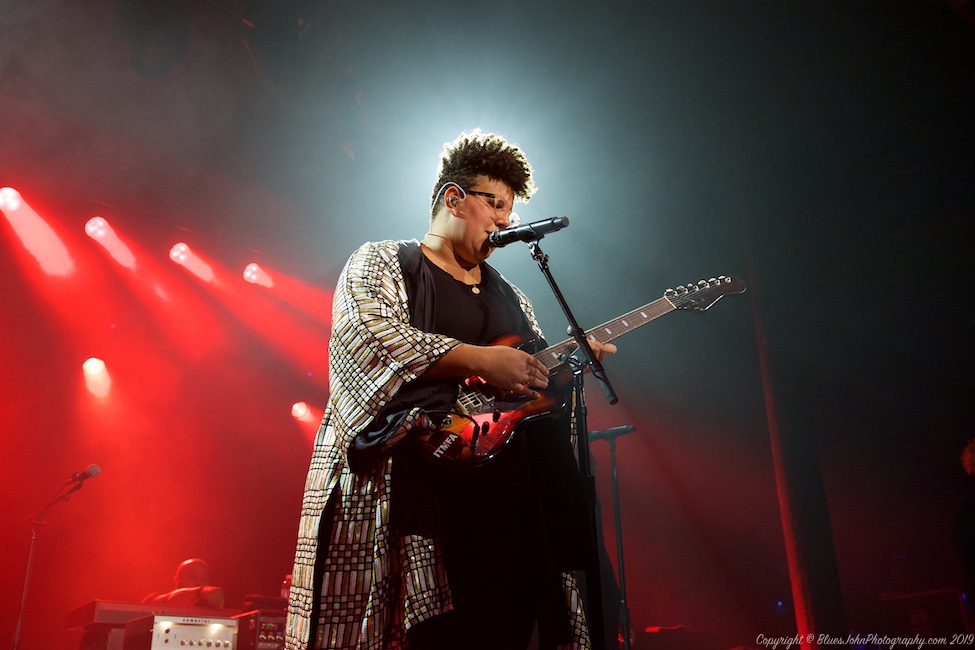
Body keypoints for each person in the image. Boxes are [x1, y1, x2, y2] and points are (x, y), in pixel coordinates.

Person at [285, 129, 616, 650]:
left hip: (506, 510)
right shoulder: (383, 261)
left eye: (511, 209)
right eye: (496, 204)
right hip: (415, 494)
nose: (506, 220)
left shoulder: (514, 297)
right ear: (453, 199)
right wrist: (481, 359)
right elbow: (371, 335)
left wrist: (567, 367)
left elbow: (530, 392)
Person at [141, 557, 226, 609]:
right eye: (193, 576)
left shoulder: (210, 610)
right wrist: (199, 592)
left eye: (204, 578)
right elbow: (169, 601)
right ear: (177, 580)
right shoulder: (154, 598)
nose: (199, 582)